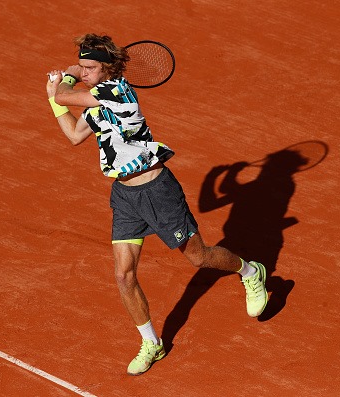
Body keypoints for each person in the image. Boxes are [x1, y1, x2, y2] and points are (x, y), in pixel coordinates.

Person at [46, 33, 268, 376]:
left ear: (107, 69)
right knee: (123, 275)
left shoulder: (115, 93)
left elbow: (64, 93)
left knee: (199, 258)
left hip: (157, 192)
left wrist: (66, 80)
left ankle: (251, 272)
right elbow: (74, 136)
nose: (86, 72)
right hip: (124, 197)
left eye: (91, 67)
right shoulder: (97, 102)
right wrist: (56, 98)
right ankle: (152, 342)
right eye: (84, 67)